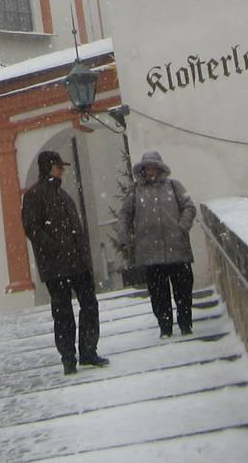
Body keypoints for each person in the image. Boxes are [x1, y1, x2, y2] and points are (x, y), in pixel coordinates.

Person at [21, 148, 109, 375]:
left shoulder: (62, 195)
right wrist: (55, 247)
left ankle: (88, 351)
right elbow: (32, 228)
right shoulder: (35, 195)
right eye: (59, 167)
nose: (62, 171)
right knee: (63, 312)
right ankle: (68, 357)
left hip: (76, 262)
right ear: (49, 167)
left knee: (88, 305)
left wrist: (81, 253)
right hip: (56, 265)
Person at [118, 150, 198, 337]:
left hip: (177, 249)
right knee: (158, 294)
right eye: (147, 167)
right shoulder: (135, 190)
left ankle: (185, 324)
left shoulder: (173, 186)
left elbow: (189, 207)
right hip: (150, 251)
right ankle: (165, 327)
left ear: (160, 168)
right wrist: (123, 233)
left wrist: (182, 227)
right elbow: (125, 214)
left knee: (183, 290)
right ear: (143, 169)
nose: (150, 170)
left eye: (154, 166)